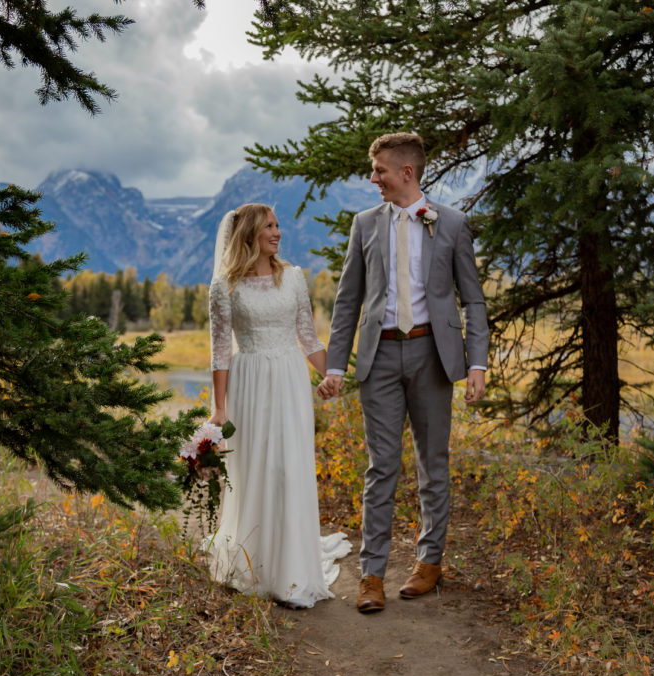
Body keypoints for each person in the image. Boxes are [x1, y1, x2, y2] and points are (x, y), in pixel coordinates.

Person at [317, 133, 489, 613]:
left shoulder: (451, 224)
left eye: (380, 172)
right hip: (380, 358)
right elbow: (348, 300)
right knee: (382, 467)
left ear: (407, 173)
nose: (374, 180)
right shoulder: (365, 224)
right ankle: (372, 575)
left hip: (434, 356)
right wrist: (336, 363)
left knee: (433, 464)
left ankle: (429, 563)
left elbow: (473, 298)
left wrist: (476, 363)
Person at [205, 202, 351, 608]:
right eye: (269, 225)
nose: (278, 232)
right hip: (249, 384)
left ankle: (292, 571)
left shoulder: (294, 278)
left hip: (289, 379)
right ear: (250, 233)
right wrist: (220, 410)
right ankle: (256, 564)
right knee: (256, 468)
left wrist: (332, 374)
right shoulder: (224, 287)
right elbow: (219, 353)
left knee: (289, 467)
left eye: (278, 224)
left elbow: (309, 337)